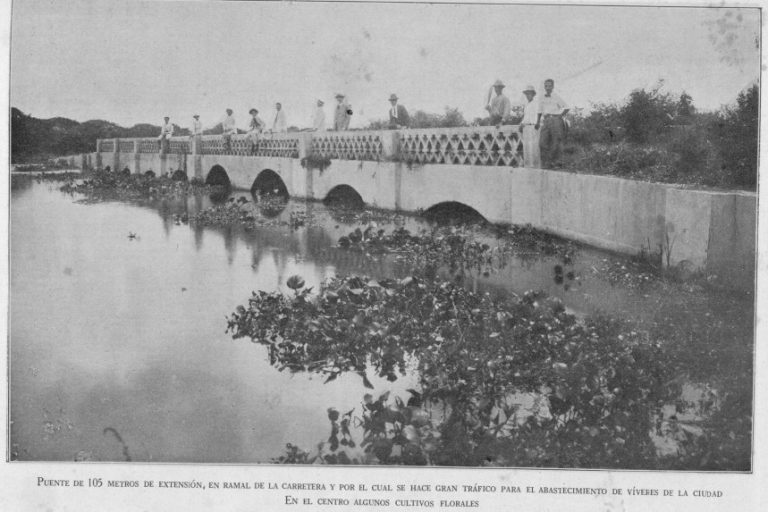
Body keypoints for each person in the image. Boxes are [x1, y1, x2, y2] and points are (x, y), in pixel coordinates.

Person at [535, 78, 569, 169]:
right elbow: (539, 110)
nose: (548, 87)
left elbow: (566, 107)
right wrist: (537, 122)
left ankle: (555, 163)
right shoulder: (541, 97)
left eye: (549, 86)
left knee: (556, 141)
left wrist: (559, 116)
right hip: (546, 120)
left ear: (553, 87)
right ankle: (546, 162)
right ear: (544, 87)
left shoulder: (556, 96)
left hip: (555, 120)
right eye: (546, 86)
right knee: (542, 142)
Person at [519, 85, 541, 168]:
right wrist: (522, 123)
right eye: (527, 94)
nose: (528, 96)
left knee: (534, 148)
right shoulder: (527, 105)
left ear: (533, 94)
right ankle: (528, 166)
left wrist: (525, 123)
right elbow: (525, 117)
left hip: (533, 127)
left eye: (530, 94)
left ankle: (536, 166)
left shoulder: (535, 104)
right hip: (527, 128)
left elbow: (534, 117)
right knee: (527, 148)